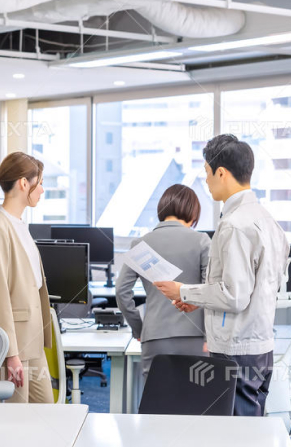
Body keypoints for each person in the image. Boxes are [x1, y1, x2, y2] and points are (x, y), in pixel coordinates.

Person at [156, 134, 290, 416]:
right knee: (251, 426)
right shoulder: (269, 221)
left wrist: (182, 291)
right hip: (261, 346)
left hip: (236, 349)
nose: (206, 181)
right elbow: (255, 289)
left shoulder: (234, 225)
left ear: (221, 173)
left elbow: (234, 296)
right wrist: (200, 301)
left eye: (207, 172)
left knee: (234, 431)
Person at [0, 152, 53, 403]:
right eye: (39, 183)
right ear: (23, 183)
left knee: (47, 410)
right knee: (17, 417)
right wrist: (10, 353)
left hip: (33, 339)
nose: (42, 190)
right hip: (15, 344)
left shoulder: (19, 225)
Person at [116, 184, 210, 379]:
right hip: (195, 336)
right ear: (193, 213)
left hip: (154, 335)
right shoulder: (202, 241)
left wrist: (139, 329)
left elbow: (121, 291)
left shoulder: (140, 244)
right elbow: (210, 293)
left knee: (156, 394)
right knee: (196, 394)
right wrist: (210, 336)